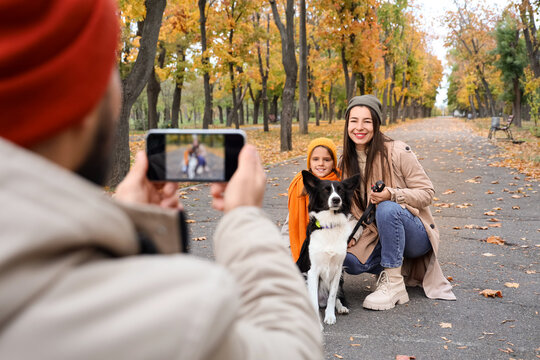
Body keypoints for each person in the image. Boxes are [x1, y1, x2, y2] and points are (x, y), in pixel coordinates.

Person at [0, 0, 323, 358]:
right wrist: (245, 221)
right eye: (108, 69)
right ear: (81, 108)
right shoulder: (185, 318)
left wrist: (133, 230)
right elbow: (294, 348)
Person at [340, 95, 456, 310]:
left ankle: (394, 284)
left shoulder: (397, 151)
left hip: (414, 235)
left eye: (367, 121)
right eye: (354, 120)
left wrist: (392, 194)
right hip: (374, 234)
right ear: (347, 123)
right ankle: (386, 270)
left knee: (387, 208)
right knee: (348, 260)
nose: (359, 127)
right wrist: (350, 236)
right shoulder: (345, 162)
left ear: (376, 123)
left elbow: (427, 193)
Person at [282, 138, 340, 261]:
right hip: (304, 246)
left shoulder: (339, 184)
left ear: (334, 162)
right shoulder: (300, 184)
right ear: (309, 161)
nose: (321, 164)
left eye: (326, 160)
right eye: (315, 159)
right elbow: (291, 223)